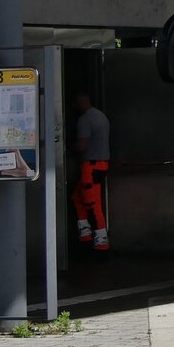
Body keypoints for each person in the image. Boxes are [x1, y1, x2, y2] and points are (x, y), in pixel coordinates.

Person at [72, 91, 111, 252]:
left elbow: (82, 145)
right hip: (101, 164)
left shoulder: (85, 119)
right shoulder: (101, 116)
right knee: (77, 196)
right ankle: (86, 233)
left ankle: (100, 242)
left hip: (91, 166)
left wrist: (64, 148)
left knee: (92, 203)